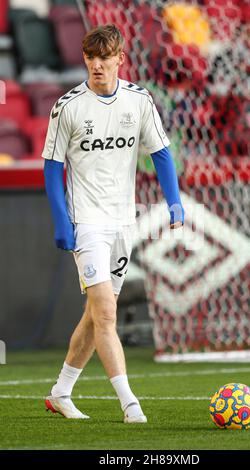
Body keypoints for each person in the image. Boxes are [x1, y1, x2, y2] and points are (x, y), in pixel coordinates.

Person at [42, 24, 184, 423]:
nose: (97, 66)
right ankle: (129, 403)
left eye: (105, 59)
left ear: (120, 58)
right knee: (106, 314)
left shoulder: (139, 101)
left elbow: (160, 152)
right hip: (86, 222)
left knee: (96, 314)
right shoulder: (67, 107)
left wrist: (174, 202)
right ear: (85, 58)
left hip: (124, 222)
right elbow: (52, 169)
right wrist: (61, 221)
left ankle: (61, 392)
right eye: (91, 59)